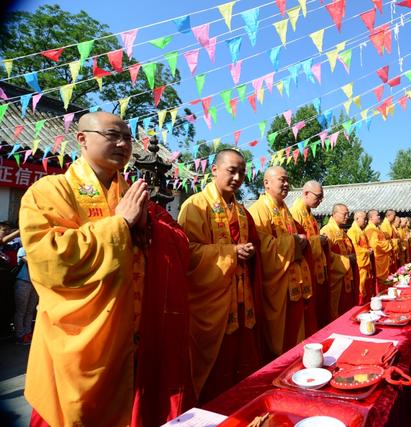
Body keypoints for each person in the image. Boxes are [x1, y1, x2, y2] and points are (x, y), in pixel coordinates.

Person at [19, 112, 194, 427]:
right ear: (82, 138)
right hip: (80, 345)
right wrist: (120, 225)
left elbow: (181, 246)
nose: (123, 144)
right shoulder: (50, 191)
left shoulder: (135, 197)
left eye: (127, 137)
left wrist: (148, 227)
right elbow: (51, 258)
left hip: (132, 338)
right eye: (112, 135)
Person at [177, 149, 263, 403]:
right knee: (211, 378)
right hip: (211, 305)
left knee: (241, 372)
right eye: (231, 170)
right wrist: (231, 252)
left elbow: (257, 247)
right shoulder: (195, 205)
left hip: (241, 299)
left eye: (242, 173)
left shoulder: (242, 212)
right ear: (214, 170)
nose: (237, 177)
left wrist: (249, 252)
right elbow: (187, 253)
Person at [248, 166, 314, 357]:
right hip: (276, 286)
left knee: (297, 336)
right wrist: (294, 243)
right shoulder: (258, 210)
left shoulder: (285, 210)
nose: (286, 184)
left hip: (293, 282)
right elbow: (262, 248)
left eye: (287, 180)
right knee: (280, 343)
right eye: (281, 180)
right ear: (266, 183)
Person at [290, 180, 329, 327]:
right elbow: (296, 244)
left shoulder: (311, 216)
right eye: (318, 197)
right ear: (306, 193)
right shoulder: (295, 213)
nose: (320, 201)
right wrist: (317, 241)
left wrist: (320, 241)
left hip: (314, 266)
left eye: (321, 198)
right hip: (303, 269)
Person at [320, 203, 358, 319]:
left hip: (347, 276)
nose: (347, 217)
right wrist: (346, 260)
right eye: (344, 214)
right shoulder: (326, 231)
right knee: (337, 312)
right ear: (334, 214)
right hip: (336, 279)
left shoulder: (343, 233)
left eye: (348, 214)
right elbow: (325, 256)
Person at [348, 210, 376, 304]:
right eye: (364, 219)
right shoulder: (353, 232)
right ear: (357, 218)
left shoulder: (361, 231)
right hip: (360, 265)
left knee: (366, 287)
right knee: (361, 288)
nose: (366, 221)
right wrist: (366, 251)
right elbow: (354, 248)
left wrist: (369, 249)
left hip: (366, 263)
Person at [364, 209, 394, 293]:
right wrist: (389, 243)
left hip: (383, 260)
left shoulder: (377, 229)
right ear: (371, 218)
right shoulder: (370, 230)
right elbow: (376, 245)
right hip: (378, 260)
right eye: (377, 215)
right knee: (380, 286)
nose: (379, 217)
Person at [13, 245, 37, 345]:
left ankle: (27, 333)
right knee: (21, 311)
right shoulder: (23, 249)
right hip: (23, 282)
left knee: (30, 311)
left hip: (34, 284)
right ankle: (20, 335)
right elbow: (29, 261)